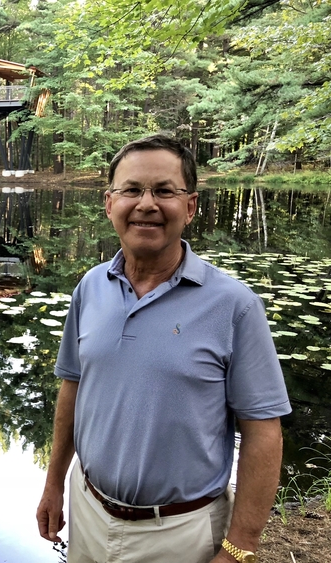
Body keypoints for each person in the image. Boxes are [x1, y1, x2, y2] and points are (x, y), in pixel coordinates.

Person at [36, 134, 291, 563]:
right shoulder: (90, 287)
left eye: (164, 191)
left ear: (189, 207)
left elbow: (263, 433)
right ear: (109, 203)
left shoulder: (234, 305)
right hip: (89, 512)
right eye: (131, 190)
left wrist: (239, 548)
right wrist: (54, 483)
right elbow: (73, 389)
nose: (146, 204)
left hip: (180, 532)